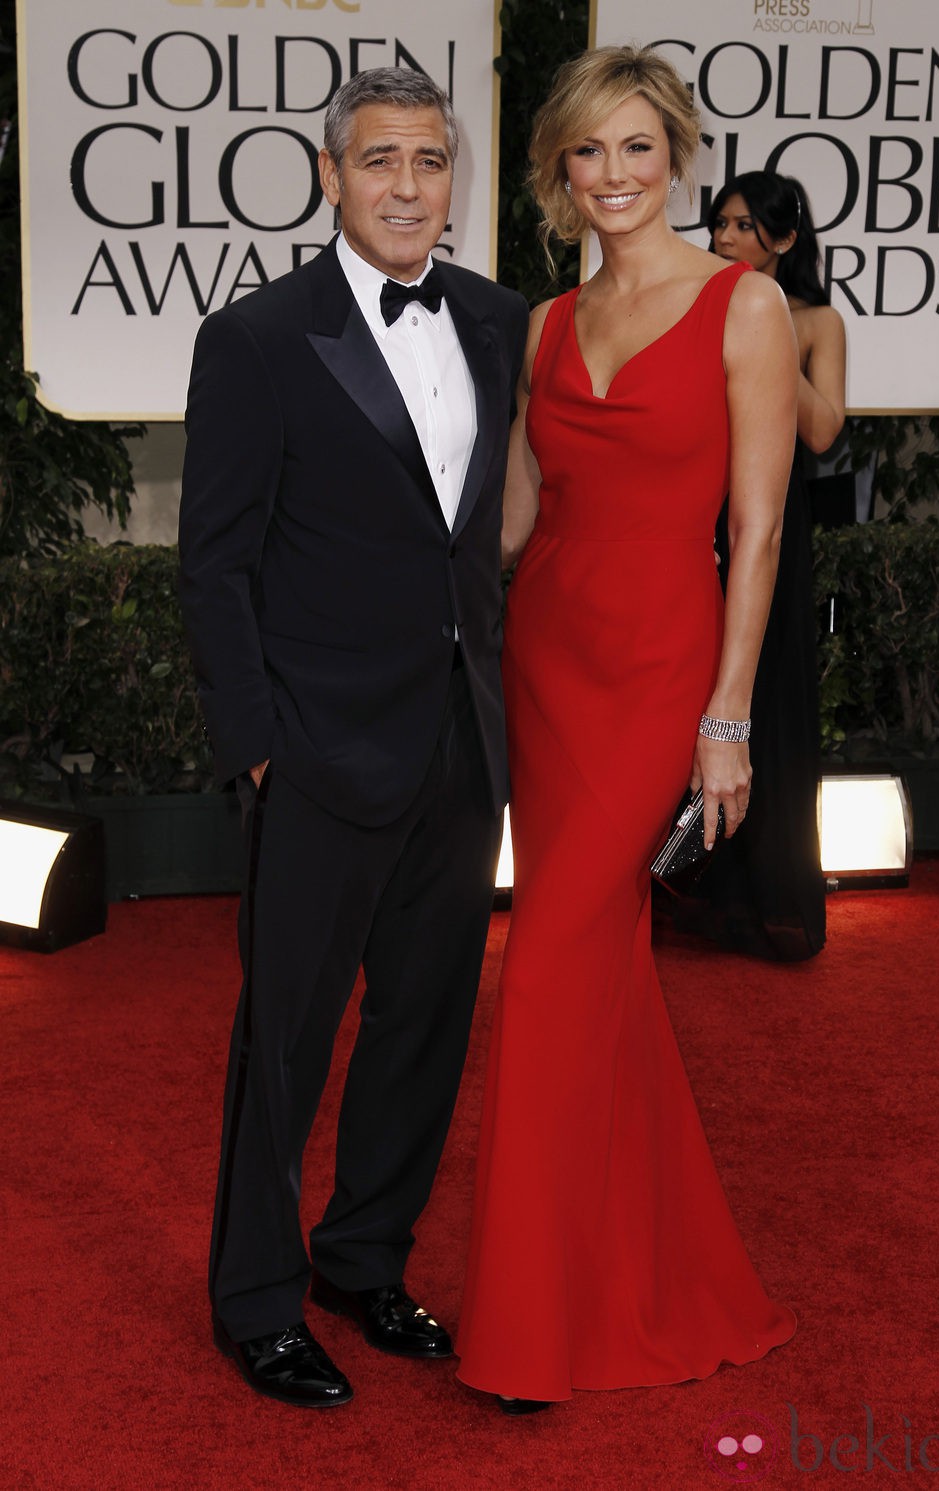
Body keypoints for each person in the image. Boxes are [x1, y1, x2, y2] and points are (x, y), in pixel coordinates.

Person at [454, 46, 798, 1412]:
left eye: (636, 149)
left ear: (679, 156)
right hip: (549, 659)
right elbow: (522, 516)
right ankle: (648, 1263)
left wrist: (728, 717)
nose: (612, 175)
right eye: (586, 153)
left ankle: (531, 1327)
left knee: (544, 964)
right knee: (594, 974)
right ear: (556, 171)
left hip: (662, 670)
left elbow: (759, 525)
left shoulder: (743, 303)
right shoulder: (543, 324)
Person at [178, 67, 527, 1409]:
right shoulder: (260, 338)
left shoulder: (495, 320)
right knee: (285, 1041)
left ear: (455, 180)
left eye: (430, 161)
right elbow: (215, 565)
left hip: (460, 741)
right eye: (378, 160)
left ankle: (361, 1254)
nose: (405, 185)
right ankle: (256, 1297)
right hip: (319, 750)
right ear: (331, 176)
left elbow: (493, 529)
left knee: (425, 1024)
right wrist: (261, 746)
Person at [676, 171, 846, 961]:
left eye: (745, 228)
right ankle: (687, 885)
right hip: (698, 508)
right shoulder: (695, 303)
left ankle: (763, 899)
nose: (725, 241)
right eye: (719, 226)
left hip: (773, 520)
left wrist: (769, 326)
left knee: (762, 699)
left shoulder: (816, 320)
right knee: (685, 691)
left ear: (784, 238)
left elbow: (821, 435)